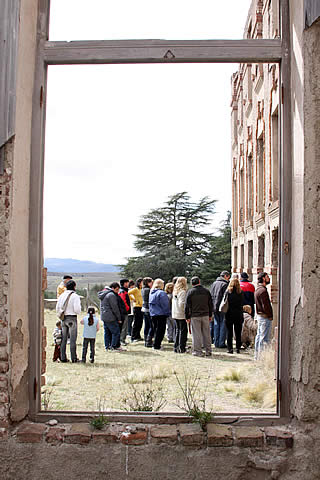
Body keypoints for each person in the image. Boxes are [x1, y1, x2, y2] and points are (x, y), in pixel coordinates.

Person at [185, 276, 213, 357]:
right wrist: (210, 314)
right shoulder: (206, 291)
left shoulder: (190, 292)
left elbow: (187, 306)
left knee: (196, 334)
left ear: (192, 284)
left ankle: (198, 351)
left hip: (195, 315)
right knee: (207, 333)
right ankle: (208, 350)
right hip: (205, 314)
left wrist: (187, 317)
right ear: (199, 282)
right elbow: (210, 304)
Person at [56, 279, 81, 363]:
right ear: (74, 286)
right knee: (73, 340)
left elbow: (57, 308)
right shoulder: (75, 296)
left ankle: (63, 357)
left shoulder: (62, 295)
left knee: (63, 339)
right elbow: (77, 310)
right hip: (72, 318)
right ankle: (74, 358)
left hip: (63, 318)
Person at [98, 282, 125, 352]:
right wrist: (119, 318)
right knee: (116, 332)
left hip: (104, 316)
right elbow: (115, 308)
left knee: (107, 332)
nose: (118, 291)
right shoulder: (111, 295)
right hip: (111, 316)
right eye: (116, 289)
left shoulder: (104, 294)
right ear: (112, 288)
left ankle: (107, 346)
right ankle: (114, 346)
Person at [254, 272, 273, 360]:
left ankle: (257, 356)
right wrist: (270, 315)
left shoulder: (258, 289)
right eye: (267, 277)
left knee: (259, 336)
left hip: (260, 316)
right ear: (263, 278)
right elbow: (266, 305)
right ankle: (262, 357)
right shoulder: (263, 291)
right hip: (264, 317)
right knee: (264, 338)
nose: (269, 278)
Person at [210, 271, 230, 348]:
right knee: (222, 324)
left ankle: (216, 342)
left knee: (216, 324)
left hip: (214, 307)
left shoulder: (214, 284)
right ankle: (221, 343)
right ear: (225, 276)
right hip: (222, 307)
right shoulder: (225, 284)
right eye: (228, 277)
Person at [149, 278, 170, 350]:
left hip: (153, 314)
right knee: (160, 331)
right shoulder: (161, 293)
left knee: (155, 330)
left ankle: (155, 344)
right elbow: (165, 304)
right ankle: (157, 345)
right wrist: (167, 313)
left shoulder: (151, 292)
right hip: (161, 314)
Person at [225, 278, 244, 354]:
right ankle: (238, 348)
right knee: (238, 332)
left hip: (229, 313)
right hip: (238, 314)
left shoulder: (228, 292)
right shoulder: (241, 292)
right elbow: (242, 302)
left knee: (229, 332)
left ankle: (230, 348)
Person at [172, 276, 188, 353]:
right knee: (183, 331)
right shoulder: (183, 292)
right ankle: (182, 347)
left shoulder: (175, 291)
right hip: (181, 314)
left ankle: (176, 346)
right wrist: (186, 311)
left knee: (178, 331)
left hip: (175, 313)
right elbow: (182, 304)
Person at [141, 277, 153, 347]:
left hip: (144, 308)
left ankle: (146, 339)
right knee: (151, 326)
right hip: (149, 309)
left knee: (147, 325)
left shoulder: (143, 289)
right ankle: (149, 341)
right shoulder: (148, 290)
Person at [119, 278, 131, 346]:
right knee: (123, 326)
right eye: (127, 283)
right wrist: (127, 308)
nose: (128, 284)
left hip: (124, 311)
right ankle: (121, 340)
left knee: (125, 327)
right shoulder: (122, 291)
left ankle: (123, 339)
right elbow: (123, 301)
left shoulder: (124, 291)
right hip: (123, 312)